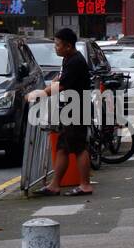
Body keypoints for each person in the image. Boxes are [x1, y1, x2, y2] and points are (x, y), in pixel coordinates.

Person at [28, 27, 94, 197]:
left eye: (57, 45)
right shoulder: (68, 59)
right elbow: (61, 81)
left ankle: (85, 185)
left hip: (78, 107)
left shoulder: (75, 61)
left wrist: (40, 93)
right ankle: (55, 185)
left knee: (79, 147)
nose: (55, 48)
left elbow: (62, 86)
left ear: (68, 46)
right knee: (63, 147)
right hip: (72, 107)